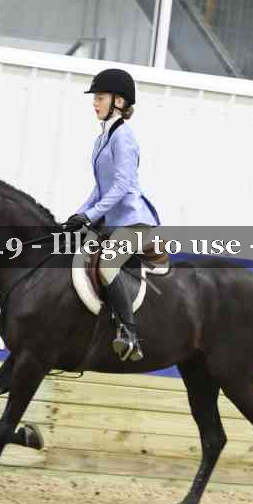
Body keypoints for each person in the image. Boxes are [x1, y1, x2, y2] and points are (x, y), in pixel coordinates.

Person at [62, 68, 160, 362]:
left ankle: (130, 335)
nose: (95, 103)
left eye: (100, 98)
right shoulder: (101, 138)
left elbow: (120, 186)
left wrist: (91, 216)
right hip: (111, 222)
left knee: (106, 266)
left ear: (119, 101)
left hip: (134, 221)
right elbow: (100, 187)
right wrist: (79, 215)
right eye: (95, 98)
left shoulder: (124, 137)